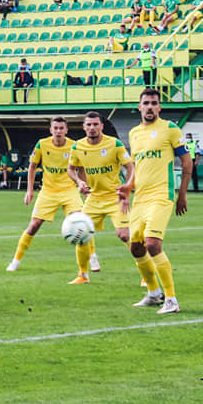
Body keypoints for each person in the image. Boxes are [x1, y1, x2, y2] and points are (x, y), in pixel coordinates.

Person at [119, 89, 192, 314]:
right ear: (139, 107)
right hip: (140, 198)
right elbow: (136, 167)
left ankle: (172, 300)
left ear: (159, 107)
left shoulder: (170, 129)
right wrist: (127, 188)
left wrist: (182, 194)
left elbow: (187, 163)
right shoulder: (133, 133)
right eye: (146, 103)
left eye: (154, 103)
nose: (150, 107)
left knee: (152, 244)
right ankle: (154, 293)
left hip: (162, 195)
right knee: (136, 247)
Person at [66, 112, 135, 284]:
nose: (92, 128)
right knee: (80, 234)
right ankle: (83, 275)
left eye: (95, 124)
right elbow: (71, 169)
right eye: (88, 125)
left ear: (101, 126)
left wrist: (127, 187)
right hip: (93, 198)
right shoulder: (77, 147)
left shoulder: (114, 144)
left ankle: (145, 271)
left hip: (115, 197)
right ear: (84, 127)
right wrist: (79, 181)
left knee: (125, 235)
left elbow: (130, 166)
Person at [6, 117, 80, 272]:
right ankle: (15, 261)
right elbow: (32, 167)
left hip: (69, 190)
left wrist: (83, 186)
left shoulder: (74, 146)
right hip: (48, 191)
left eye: (61, 128)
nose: (58, 131)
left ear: (66, 130)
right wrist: (30, 190)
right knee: (33, 226)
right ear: (51, 130)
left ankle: (92, 259)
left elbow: (82, 168)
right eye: (56, 128)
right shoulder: (42, 144)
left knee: (79, 223)